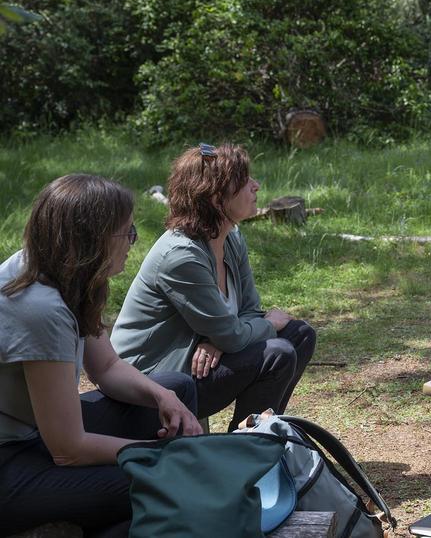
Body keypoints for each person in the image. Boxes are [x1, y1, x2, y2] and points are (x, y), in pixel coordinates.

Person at [0, 174, 201, 537]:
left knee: (177, 388)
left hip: (38, 436)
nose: (132, 243)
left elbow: (106, 367)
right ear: (92, 239)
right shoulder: (40, 307)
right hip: (11, 462)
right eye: (127, 232)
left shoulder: (62, 271)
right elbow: (68, 449)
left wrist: (162, 396)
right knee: (166, 481)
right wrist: (159, 454)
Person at [111, 143, 316, 432]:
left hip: (193, 367)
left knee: (300, 335)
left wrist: (219, 340)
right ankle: (244, 453)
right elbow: (238, 331)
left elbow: (248, 311)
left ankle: (253, 438)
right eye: (245, 181)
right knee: (277, 352)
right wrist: (240, 333)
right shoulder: (181, 256)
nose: (255, 186)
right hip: (151, 386)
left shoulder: (231, 237)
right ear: (217, 197)